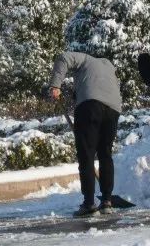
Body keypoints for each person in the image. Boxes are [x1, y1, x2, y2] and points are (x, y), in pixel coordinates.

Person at [48, 50, 130, 216]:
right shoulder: (109, 67)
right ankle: (107, 200)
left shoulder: (84, 59)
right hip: (113, 109)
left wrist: (55, 84)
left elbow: (64, 57)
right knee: (105, 154)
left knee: (86, 154)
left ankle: (89, 203)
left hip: (90, 106)